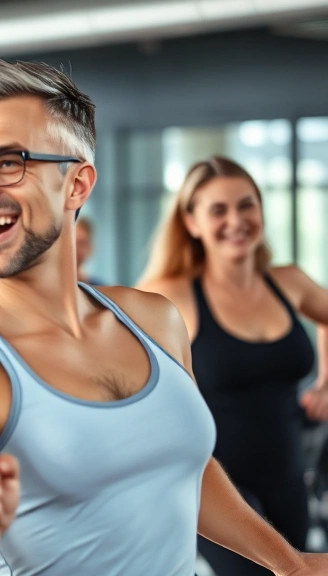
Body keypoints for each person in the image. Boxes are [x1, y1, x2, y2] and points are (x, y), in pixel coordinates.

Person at [0, 55, 328, 576]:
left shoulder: (154, 319)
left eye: (8, 162)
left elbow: (186, 470)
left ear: (78, 185)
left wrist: (290, 563)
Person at [138, 156, 328, 575]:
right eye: (218, 210)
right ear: (191, 222)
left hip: (289, 475)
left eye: (246, 205)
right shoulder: (169, 295)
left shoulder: (288, 282)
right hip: (216, 490)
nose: (236, 220)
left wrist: (327, 384)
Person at [75, 216, 104, 285]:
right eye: (72, 242)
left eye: (81, 243)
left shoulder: (99, 288)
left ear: (90, 248)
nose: (76, 248)